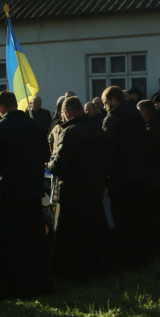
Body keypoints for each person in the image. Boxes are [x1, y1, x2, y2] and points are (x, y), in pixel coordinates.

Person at [0, 91, 53, 300]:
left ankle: (9, 284)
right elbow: (46, 156)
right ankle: (37, 281)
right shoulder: (35, 125)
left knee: (9, 241)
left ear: (1, 108)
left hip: (8, 194)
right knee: (33, 238)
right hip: (32, 191)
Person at [47, 96, 109, 280]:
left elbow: (59, 164)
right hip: (93, 189)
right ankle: (98, 267)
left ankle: (71, 272)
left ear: (66, 113)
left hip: (72, 193)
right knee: (93, 233)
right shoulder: (98, 129)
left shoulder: (69, 132)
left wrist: (48, 164)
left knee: (72, 235)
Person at [101, 86, 148, 272]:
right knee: (137, 216)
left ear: (113, 101)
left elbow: (108, 153)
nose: (104, 107)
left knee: (121, 218)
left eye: (105, 103)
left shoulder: (112, 120)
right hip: (138, 174)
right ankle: (141, 256)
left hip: (119, 178)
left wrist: (105, 175)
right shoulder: (137, 117)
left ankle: (124, 259)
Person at [137, 100, 160, 258]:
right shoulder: (158, 127)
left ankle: (157, 247)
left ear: (144, 114)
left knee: (153, 215)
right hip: (157, 177)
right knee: (159, 214)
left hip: (150, 178)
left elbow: (143, 155)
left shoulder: (150, 130)